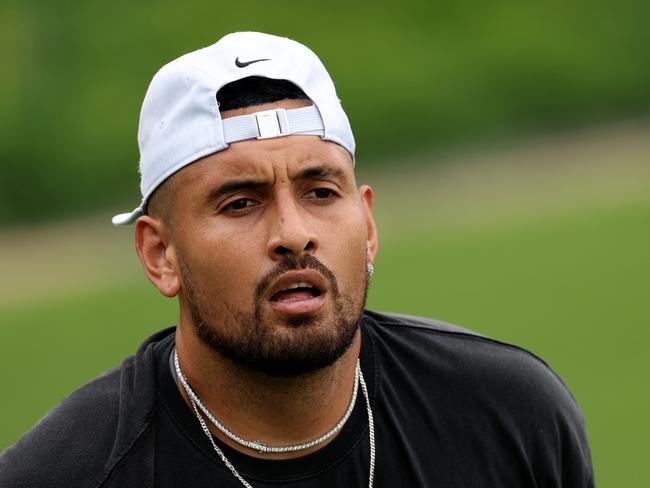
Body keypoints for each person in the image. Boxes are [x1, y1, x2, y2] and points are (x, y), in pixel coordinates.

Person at [0, 32, 594, 487]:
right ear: (162, 255)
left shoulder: (508, 416)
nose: (293, 233)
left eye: (320, 192)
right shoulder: (63, 475)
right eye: (239, 202)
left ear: (367, 226)